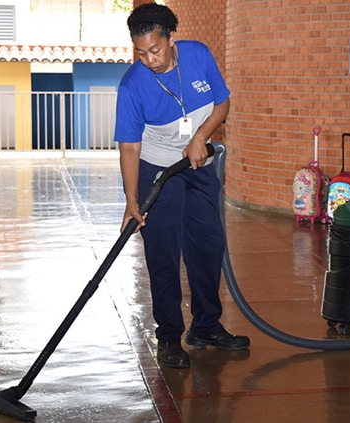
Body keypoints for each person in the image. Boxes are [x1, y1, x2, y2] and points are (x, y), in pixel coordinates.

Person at [114, 2, 250, 369]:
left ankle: (206, 326)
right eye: (140, 52)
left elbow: (222, 103)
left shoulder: (198, 56)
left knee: (208, 245)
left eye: (155, 50)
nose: (149, 59)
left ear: (170, 40)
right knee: (164, 253)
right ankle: (170, 337)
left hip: (198, 165)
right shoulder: (132, 86)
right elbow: (129, 147)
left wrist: (202, 136)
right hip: (157, 172)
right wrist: (132, 201)